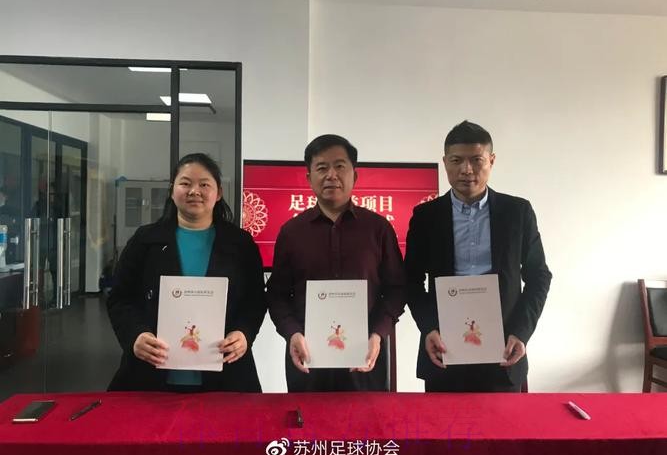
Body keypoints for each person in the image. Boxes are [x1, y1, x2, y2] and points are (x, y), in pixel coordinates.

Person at [405, 121, 552, 392]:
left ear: (491, 160)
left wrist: (521, 332)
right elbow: (410, 280)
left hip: (504, 351)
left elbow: (539, 276)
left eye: (476, 160)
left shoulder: (517, 212)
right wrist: (429, 328)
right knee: (443, 421)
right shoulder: (426, 217)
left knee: (504, 420)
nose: (466, 169)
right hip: (443, 350)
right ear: (445, 162)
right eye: (456, 160)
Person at [107, 153, 266, 392]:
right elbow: (120, 297)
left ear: (218, 193)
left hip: (226, 374)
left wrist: (244, 334)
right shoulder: (145, 240)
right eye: (185, 183)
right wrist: (135, 335)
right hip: (151, 374)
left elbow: (255, 300)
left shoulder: (240, 244)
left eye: (204, 184)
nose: (194, 191)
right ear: (172, 191)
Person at [267, 134, 405, 392]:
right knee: (307, 419)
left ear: (355, 175)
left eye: (340, 166)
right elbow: (277, 295)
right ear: (309, 177)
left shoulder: (378, 229)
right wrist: (292, 333)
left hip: (366, 357)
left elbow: (396, 289)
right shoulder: (292, 232)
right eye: (322, 168)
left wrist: (378, 334)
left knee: (366, 419)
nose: (331, 175)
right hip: (307, 359)